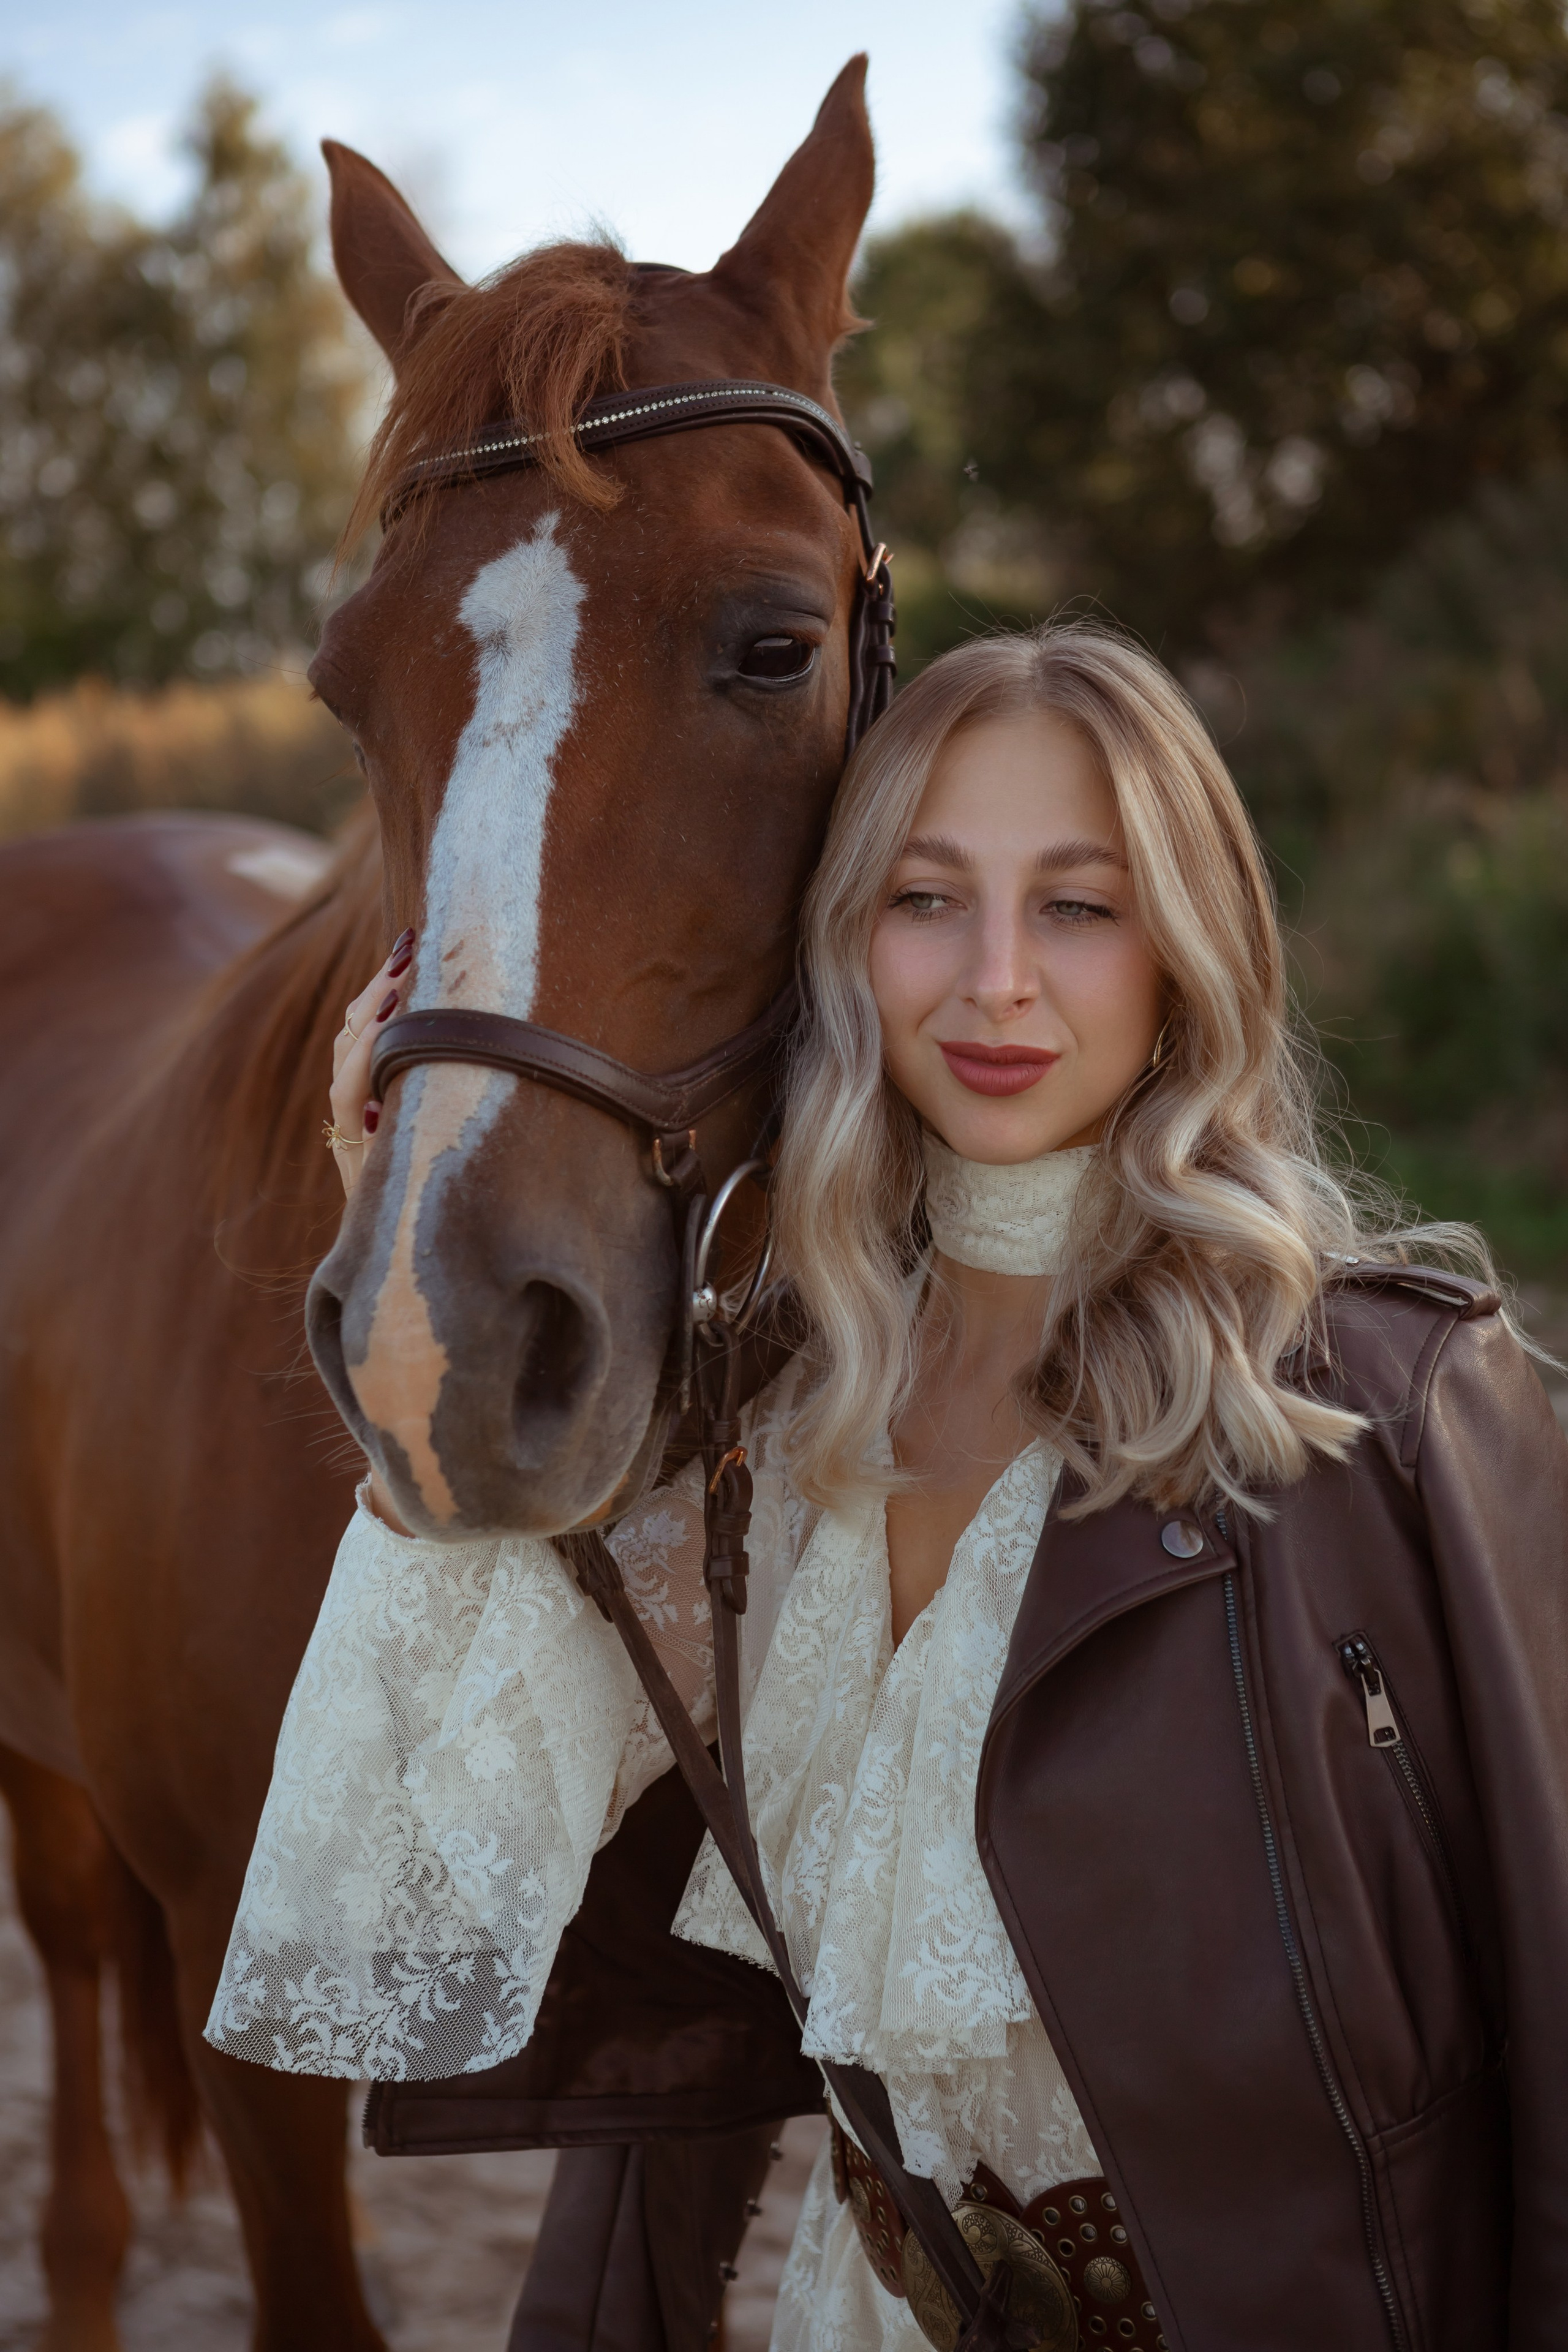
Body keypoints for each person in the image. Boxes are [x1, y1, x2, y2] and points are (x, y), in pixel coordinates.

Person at [207, 622, 1568, 2351]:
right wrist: (388, 1209)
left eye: (1078, 906)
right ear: (845, 944)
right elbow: (405, 1910)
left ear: (1186, 951)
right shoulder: (777, 1436)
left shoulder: (1385, 1405)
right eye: (928, 899)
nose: (995, 979)